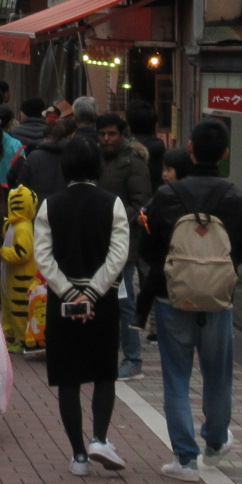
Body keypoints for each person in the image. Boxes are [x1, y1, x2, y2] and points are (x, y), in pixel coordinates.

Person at [141, 121, 242, 479]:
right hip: (219, 297)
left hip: (171, 295)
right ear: (224, 153)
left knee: (176, 376)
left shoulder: (168, 195)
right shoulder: (237, 197)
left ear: (189, 149)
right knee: (218, 374)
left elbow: (151, 247)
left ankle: (185, 459)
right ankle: (216, 441)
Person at [36, 136, 130, 476]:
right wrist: (92, 292)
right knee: (104, 372)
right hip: (102, 301)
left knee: (68, 377)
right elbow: (118, 254)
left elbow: (43, 257)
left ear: (64, 168)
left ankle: (77, 455)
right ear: (98, 167)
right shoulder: (113, 203)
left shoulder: (50, 205)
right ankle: (100, 438)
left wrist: (67, 291)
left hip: (61, 302)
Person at [95, 113, 152, 379]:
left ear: (123, 134)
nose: (106, 139)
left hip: (124, 241)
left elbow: (142, 202)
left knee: (125, 299)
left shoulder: (134, 162)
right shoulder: (97, 158)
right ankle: (105, 352)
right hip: (97, 238)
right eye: (102, 134)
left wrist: (114, 216)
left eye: (111, 134)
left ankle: (133, 358)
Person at [0, 185, 44, 352]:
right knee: (11, 307)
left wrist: (1, 252)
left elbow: (22, 253)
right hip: (12, 275)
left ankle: (23, 340)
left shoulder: (22, 227)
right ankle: (13, 336)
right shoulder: (15, 224)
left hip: (21, 276)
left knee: (20, 310)